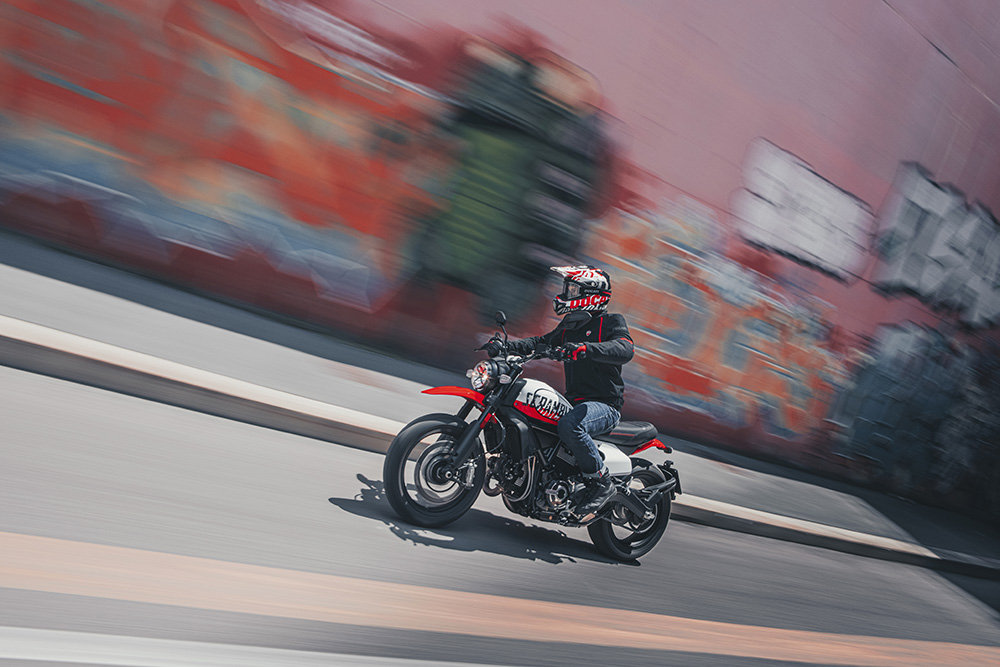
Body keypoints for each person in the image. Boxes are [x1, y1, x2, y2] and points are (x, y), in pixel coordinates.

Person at [485, 265, 634, 516]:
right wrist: (506, 347)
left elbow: (625, 348)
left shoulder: (610, 322)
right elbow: (539, 344)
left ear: (592, 293)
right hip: (575, 403)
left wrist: (587, 349)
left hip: (605, 406)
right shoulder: (569, 327)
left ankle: (601, 482)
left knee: (571, 425)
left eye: (573, 289)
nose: (566, 294)